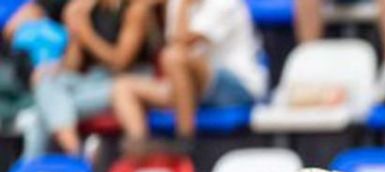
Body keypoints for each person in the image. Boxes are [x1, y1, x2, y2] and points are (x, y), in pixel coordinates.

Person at [111, 0, 267, 156]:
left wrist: (183, 7)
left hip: (237, 86)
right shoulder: (177, 3)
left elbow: (182, 44)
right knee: (123, 87)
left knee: (174, 57)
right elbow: (173, 44)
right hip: (193, 88)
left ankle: (185, 139)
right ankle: (140, 150)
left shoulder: (226, 3)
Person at [19, 0, 154, 157]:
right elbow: (72, 66)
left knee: (42, 113)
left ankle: (66, 158)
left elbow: (121, 62)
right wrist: (73, 32)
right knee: (46, 82)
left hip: (129, 81)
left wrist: (85, 32)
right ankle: (71, 150)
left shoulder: (135, 8)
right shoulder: (83, 9)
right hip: (95, 81)